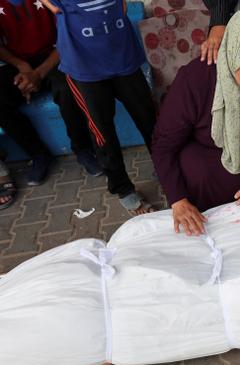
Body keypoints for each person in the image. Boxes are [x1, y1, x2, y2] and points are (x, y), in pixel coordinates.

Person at [152, 5, 240, 236]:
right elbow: (163, 146)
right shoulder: (197, 79)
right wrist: (178, 201)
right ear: (235, 51)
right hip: (208, 185)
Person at [41, 0, 157, 215]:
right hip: (84, 67)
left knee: (149, 119)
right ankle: (123, 189)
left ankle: (167, 167)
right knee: (102, 132)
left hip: (122, 55)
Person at [0, 0, 102, 186]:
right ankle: (39, 154)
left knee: (67, 88)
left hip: (56, 56)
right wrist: (23, 67)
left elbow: (70, 34)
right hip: (20, 65)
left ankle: (83, 149)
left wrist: (38, 74)